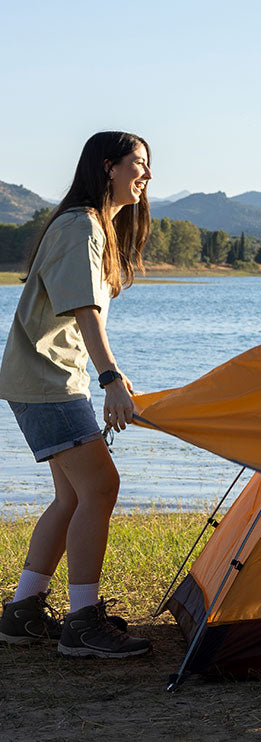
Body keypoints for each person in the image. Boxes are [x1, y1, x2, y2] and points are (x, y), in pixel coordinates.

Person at [0, 131, 153, 657]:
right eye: (138, 165)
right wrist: (110, 377)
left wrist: (105, 376)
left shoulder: (93, 228)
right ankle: (83, 622)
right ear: (108, 167)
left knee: (71, 495)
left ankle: (23, 611)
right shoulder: (79, 226)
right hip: (48, 382)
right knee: (101, 489)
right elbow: (82, 308)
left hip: (45, 380)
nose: (146, 176)